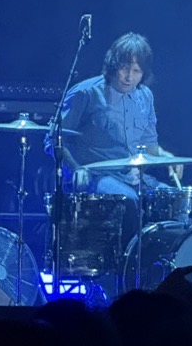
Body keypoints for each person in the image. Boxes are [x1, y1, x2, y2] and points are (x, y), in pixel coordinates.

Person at [47, 33, 178, 260]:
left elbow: (149, 146)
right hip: (97, 176)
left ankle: (161, 268)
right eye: (124, 69)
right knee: (128, 200)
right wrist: (75, 168)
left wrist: (168, 158)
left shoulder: (145, 96)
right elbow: (53, 139)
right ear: (113, 65)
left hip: (133, 177)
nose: (128, 77)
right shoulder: (85, 93)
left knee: (173, 198)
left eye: (136, 71)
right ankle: (127, 267)